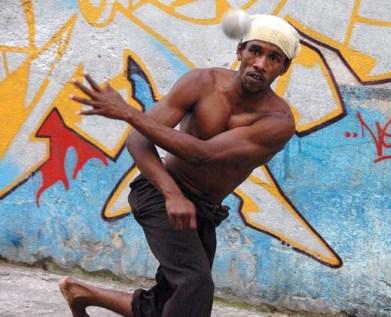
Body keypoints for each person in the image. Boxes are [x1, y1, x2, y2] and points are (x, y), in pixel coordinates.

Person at [59, 14, 300, 317]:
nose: (260, 64)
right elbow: (138, 141)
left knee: (173, 299)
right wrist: (171, 193)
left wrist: (130, 114)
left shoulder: (277, 122)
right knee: (194, 284)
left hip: (203, 210)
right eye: (255, 51)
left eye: (274, 58)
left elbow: (203, 154)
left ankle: (81, 292)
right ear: (240, 50)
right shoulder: (201, 83)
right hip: (159, 191)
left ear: (284, 68)